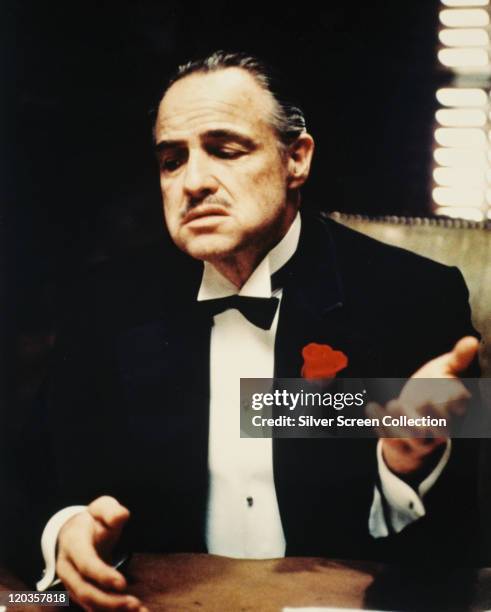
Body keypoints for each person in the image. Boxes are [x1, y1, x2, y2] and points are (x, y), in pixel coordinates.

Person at [5, 51, 480, 611]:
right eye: (171, 160)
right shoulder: (106, 305)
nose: (194, 182)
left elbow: (467, 532)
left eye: (225, 151)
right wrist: (66, 530)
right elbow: (29, 480)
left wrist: (406, 468)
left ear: (296, 160)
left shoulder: (415, 296)